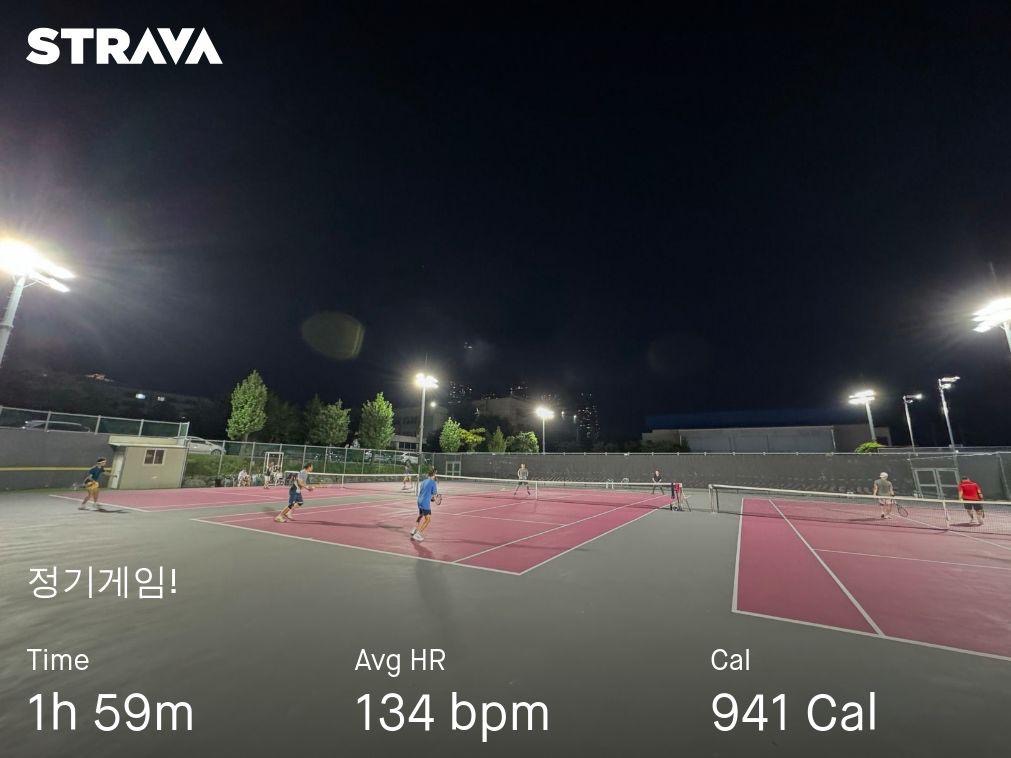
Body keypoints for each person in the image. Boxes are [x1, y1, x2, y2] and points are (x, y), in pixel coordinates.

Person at [411, 469, 438, 541]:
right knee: (428, 519)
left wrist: (430, 498)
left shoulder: (423, 482)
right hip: (425, 503)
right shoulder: (433, 482)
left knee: (421, 515)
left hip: (419, 501)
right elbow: (434, 494)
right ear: (433, 475)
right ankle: (418, 534)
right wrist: (433, 499)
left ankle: (414, 529)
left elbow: (424, 492)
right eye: (435, 474)